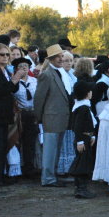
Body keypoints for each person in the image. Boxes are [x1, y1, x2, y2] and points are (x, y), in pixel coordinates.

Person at [34, 44, 71, 187]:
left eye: (62, 56)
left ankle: (52, 176)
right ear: (51, 59)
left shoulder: (59, 73)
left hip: (59, 117)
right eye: (58, 57)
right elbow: (39, 98)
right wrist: (38, 118)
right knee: (50, 151)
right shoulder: (47, 74)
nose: (61, 59)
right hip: (51, 118)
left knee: (55, 150)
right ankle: (48, 178)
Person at [0, 44, 26, 185]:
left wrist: (15, 79)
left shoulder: (4, 70)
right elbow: (0, 91)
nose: (5, 57)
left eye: (7, 55)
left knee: (2, 146)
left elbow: (12, 89)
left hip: (3, 114)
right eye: (2, 55)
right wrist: (15, 79)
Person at [68, 80, 97, 199]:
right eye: (90, 91)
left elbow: (89, 123)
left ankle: (81, 187)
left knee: (84, 162)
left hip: (86, 137)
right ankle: (81, 188)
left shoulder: (84, 105)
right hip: (82, 139)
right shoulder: (82, 108)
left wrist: (92, 135)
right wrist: (80, 141)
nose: (91, 92)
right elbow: (78, 126)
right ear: (86, 93)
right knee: (82, 163)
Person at [12, 57, 39, 178]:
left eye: (26, 66)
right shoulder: (14, 82)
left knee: (30, 142)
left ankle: (29, 167)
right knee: (18, 141)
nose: (24, 68)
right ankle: (17, 167)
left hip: (32, 113)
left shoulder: (34, 81)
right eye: (21, 66)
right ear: (16, 69)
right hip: (20, 114)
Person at [57, 51, 77, 177]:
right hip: (64, 110)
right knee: (64, 139)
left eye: (71, 61)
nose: (69, 63)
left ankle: (70, 167)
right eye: (66, 61)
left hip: (72, 110)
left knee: (70, 138)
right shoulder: (60, 75)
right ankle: (63, 168)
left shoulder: (72, 75)